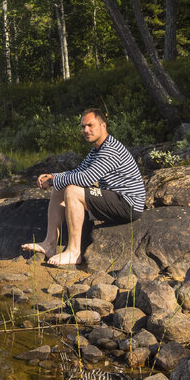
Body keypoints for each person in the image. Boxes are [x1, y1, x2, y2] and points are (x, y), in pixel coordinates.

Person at [22, 108, 146, 267]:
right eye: (82, 126)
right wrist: (52, 176)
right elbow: (79, 171)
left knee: (72, 190)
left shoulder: (110, 149)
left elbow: (87, 178)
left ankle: (74, 252)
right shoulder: (96, 149)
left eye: (90, 125)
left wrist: (54, 179)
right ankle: (49, 243)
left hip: (128, 204)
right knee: (60, 187)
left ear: (103, 126)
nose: (86, 130)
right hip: (112, 196)